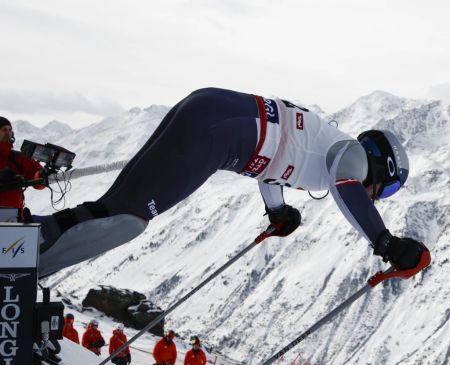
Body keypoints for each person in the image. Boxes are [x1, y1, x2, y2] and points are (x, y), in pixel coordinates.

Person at [32, 88, 428, 278]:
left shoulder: (324, 145)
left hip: (208, 110)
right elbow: (348, 191)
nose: (378, 196)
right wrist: (385, 242)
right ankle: (22, 268)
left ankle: (24, 242)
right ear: (382, 166)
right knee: (128, 220)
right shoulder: (353, 157)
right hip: (217, 138)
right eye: (387, 189)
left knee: (114, 207)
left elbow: (272, 165)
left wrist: (277, 210)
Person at [0, 116, 44, 221]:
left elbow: (38, 181)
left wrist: (42, 175)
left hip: (14, 216)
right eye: (3, 130)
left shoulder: (19, 158)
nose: (8, 133)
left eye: (10, 130)